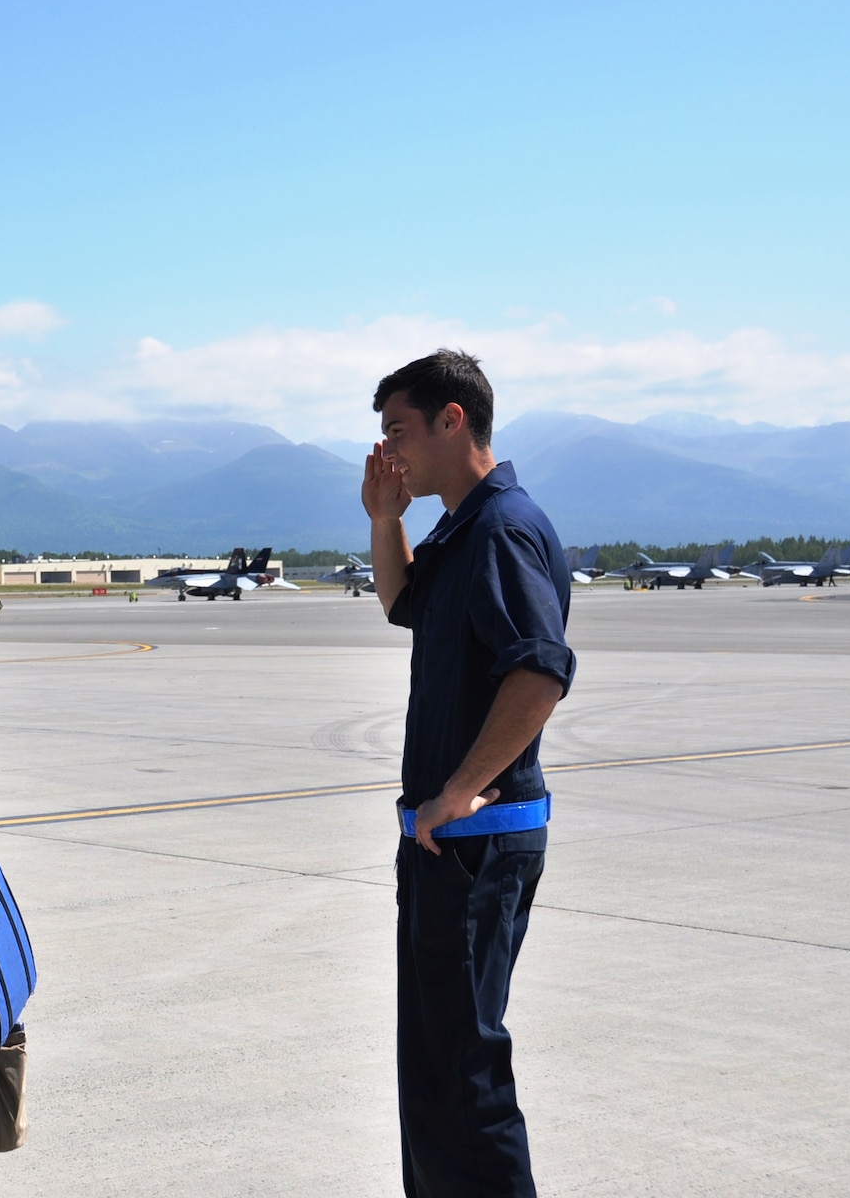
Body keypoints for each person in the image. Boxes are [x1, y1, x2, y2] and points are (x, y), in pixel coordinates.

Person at [361, 350, 575, 1198]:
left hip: (478, 841)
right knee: (436, 1073)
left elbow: (541, 668)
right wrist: (386, 517)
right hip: (451, 842)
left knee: (465, 1075)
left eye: (398, 431)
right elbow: (400, 603)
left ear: (455, 421)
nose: (390, 452)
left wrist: (457, 789)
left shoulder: (503, 527)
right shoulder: (461, 527)